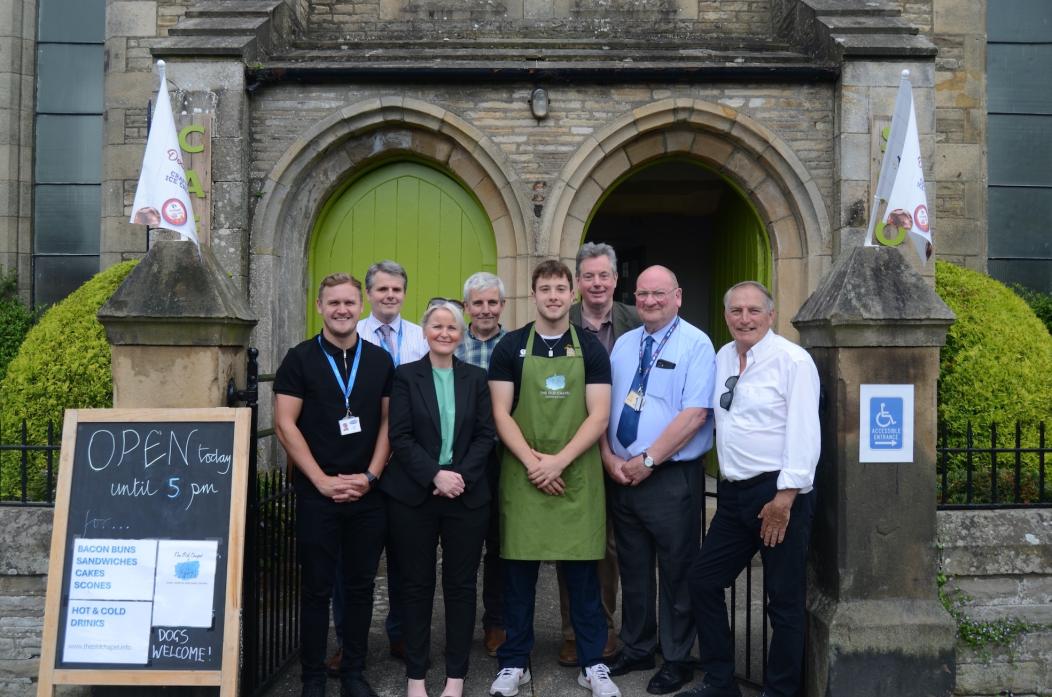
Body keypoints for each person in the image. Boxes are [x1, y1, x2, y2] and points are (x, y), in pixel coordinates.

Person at [678, 281, 820, 697]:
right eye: (736, 311)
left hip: (777, 496)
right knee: (704, 582)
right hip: (734, 495)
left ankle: (780, 691)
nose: (745, 318)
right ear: (726, 317)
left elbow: (805, 433)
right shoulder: (723, 357)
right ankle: (721, 683)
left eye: (753, 311)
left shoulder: (793, 361)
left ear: (771, 315)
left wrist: (785, 498)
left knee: (783, 601)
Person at [487, 260, 621, 697]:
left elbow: (599, 415)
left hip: (576, 474)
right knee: (519, 574)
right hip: (524, 475)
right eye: (545, 288)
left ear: (572, 293)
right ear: (534, 293)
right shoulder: (509, 347)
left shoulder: (591, 347)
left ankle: (592, 663)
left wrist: (558, 462)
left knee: (584, 576)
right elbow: (500, 414)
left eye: (561, 288)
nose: (553, 296)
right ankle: (514, 663)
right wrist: (534, 464)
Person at [273, 272, 394, 697]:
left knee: (361, 588)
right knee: (316, 589)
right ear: (320, 308)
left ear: (360, 308)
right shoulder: (300, 359)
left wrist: (370, 476)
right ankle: (312, 678)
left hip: (366, 495)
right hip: (317, 494)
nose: (342, 310)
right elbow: (285, 424)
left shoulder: (379, 360)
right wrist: (322, 481)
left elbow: (388, 423)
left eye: (349, 302)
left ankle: (354, 673)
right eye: (333, 303)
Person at [600, 265, 715, 695]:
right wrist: (609, 457)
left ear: (678, 296)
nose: (649, 301)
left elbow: (695, 414)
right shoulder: (625, 345)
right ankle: (638, 647)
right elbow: (608, 405)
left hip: (669, 476)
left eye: (658, 294)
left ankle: (678, 658)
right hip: (622, 475)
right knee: (633, 568)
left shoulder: (696, 344)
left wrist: (648, 459)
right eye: (642, 294)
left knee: (677, 570)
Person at [382, 300, 496, 697]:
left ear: (461, 335)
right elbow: (400, 436)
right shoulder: (405, 377)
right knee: (415, 585)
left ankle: (455, 677)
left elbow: (486, 435)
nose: (445, 333)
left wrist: (457, 476)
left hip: (466, 497)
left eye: (452, 328)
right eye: (437, 327)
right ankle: (416, 676)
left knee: (461, 586)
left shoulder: (477, 378)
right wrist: (434, 474)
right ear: (425, 332)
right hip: (415, 496)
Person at [560, 242, 642, 666]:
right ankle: (572, 631)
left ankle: (605, 627)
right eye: (588, 276)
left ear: (615, 279)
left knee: (612, 545)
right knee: (572, 543)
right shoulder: (560, 322)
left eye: (603, 275)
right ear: (577, 282)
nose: (596, 283)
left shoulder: (635, 320)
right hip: (571, 447)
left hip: (622, 448)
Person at [356, 259, 430, 663]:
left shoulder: (421, 338)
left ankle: (402, 635)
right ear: (370, 293)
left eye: (396, 290)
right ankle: (353, 643)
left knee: (406, 561)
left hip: (409, 468)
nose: (389, 296)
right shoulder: (353, 335)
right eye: (382, 289)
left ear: (404, 294)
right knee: (358, 564)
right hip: (363, 460)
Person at [455, 272, 510, 658]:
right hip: (462, 460)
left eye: (492, 302)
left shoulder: (516, 346)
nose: (486, 309)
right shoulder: (451, 343)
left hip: (505, 458)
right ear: (466, 308)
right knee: (463, 545)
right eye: (478, 303)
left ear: (502, 307)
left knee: (500, 544)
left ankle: (496, 621)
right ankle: (458, 624)